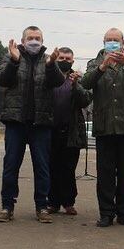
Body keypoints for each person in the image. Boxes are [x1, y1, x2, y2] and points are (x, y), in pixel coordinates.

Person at [0, 26, 65, 223]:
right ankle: (7, 206)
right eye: (30, 38)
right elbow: (2, 79)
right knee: (10, 166)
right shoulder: (11, 56)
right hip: (16, 122)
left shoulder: (48, 59)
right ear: (23, 40)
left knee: (42, 167)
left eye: (37, 38)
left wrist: (52, 65)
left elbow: (58, 82)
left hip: (41, 123)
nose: (34, 41)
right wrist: (14, 61)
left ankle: (42, 207)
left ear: (43, 40)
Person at [82, 28, 124, 227]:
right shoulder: (95, 63)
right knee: (105, 173)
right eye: (109, 40)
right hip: (105, 126)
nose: (112, 43)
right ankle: (106, 213)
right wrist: (102, 67)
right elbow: (85, 83)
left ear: (122, 42)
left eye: (116, 40)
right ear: (103, 42)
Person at [48, 47, 92, 215]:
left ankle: (68, 202)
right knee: (51, 167)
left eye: (68, 58)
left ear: (72, 61)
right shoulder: (49, 76)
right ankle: (52, 202)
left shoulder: (79, 79)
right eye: (61, 58)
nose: (65, 60)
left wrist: (76, 85)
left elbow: (85, 101)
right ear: (56, 59)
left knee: (68, 169)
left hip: (71, 130)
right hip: (50, 129)